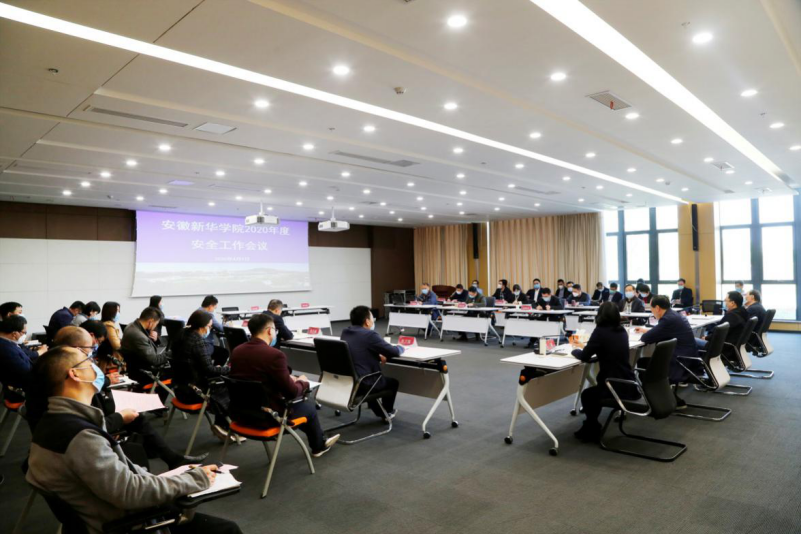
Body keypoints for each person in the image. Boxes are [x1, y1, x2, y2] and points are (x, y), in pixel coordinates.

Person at [26, 346, 241, 534]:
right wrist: (195, 479)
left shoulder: (53, 421)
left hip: (105, 513)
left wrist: (171, 478)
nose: (94, 365)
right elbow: (129, 492)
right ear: (75, 374)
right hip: (128, 522)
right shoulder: (80, 437)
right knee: (227, 530)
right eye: (88, 361)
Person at [37, 327, 208, 469]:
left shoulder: (53, 371)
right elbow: (89, 425)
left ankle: (168, 457)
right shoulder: (65, 391)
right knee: (134, 417)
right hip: (94, 430)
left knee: (137, 417)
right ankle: (164, 457)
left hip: (93, 422)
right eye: (88, 356)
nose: (91, 362)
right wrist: (120, 417)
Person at [229, 314, 339, 457]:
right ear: (269, 330)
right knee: (308, 408)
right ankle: (318, 446)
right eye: (275, 329)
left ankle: (320, 441)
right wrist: (303, 382)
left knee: (302, 408)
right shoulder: (274, 355)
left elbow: (253, 376)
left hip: (241, 414)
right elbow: (291, 393)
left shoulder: (237, 351)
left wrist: (286, 378)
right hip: (268, 417)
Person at [570, 303, 639, 442]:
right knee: (593, 393)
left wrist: (574, 350)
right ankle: (591, 426)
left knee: (588, 395)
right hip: (629, 382)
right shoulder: (621, 330)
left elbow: (585, 356)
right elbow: (608, 349)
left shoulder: (600, 331)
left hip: (613, 385)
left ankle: (592, 428)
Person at [171, 310, 234, 443]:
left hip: (180, 388)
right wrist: (227, 369)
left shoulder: (181, 335)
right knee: (228, 385)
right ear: (201, 326)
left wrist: (216, 369)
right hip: (195, 392)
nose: (210, 329)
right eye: (209, 326)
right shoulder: (199, 342)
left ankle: (222, 425)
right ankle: (222, 425)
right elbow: (209, 370)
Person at [635, 296, 700, 409]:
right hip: (688, 358)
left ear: (657, 308)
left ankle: (662, 400)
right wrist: (649, 330)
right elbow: (662, 331)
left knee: (643, 363)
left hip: (679, 362)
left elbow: (646, 338)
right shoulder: (674, 315)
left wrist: (648, 332)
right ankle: (671, 398)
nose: (652, 312)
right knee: (648, 361)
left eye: (651, 309)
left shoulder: (667, 320)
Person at [341, 306, 404, 420]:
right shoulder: (369, 335)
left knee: (370, 379)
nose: (373, 320)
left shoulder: (346, 332)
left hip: (349, 381)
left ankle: (379, 410)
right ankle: (386, 413)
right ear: (367, 321)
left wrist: (377, 355)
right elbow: (393, 352)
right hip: (363, 383)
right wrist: (401, 347)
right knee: (392, 383)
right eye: (372, 318)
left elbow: (358, 350)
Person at [0, 315, 46, 402]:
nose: (24, 335)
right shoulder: (5, 349)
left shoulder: (8, 342)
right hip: (22, 389)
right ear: (14, 334)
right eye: (24, 332)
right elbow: (25, 372)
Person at [120, 307, 167, 388]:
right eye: (156, 323)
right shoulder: (139, 336)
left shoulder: (131, 326)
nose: (155, 326)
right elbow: (154, 360)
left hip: (134, 369)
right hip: (144, 374)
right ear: (151, 321)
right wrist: (170, 354)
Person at [198, 295, 228, 365]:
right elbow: (220, 328)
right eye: (214, 307)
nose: (214, 310)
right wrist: (227, 325)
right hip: (205, 345)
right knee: (224, 353)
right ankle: (215, 370)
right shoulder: (208, 315)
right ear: (210, 306)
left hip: (197, 344)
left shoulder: (197, 311)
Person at [101, 301, 124, 371]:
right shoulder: (109, 325)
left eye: (119, 311)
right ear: (110, 312)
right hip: (111, 361)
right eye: (117, 311)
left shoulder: (106, 324)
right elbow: (116, 345)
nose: (118, 313)